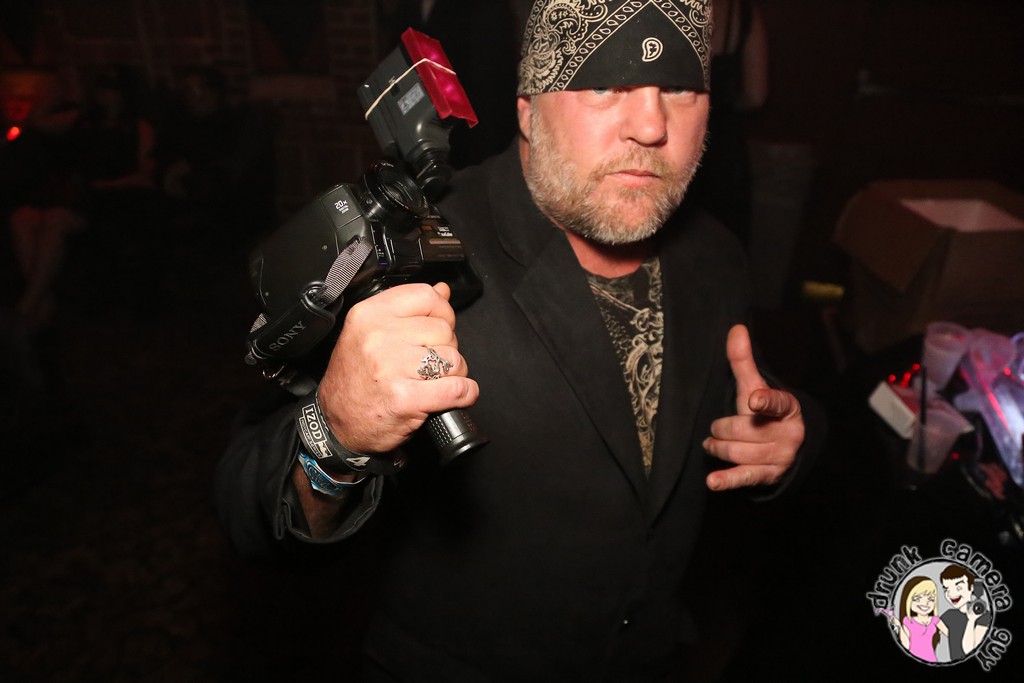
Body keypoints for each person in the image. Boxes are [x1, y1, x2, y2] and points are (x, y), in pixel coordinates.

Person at [216, 1, 816, 679]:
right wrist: (335, 434)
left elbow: (745, 399)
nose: (652, 125)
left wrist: (782, 441)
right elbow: (249, 508)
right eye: (604, 84)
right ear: (528, 109)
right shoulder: (415, 248)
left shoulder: (718, 256)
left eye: (679, 88)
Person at [686, 0, 768, 246]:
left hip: (681, 142)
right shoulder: (744, 15)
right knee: (721, 245)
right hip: (726, 150)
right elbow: (756, 95)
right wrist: (725, 104)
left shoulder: (669, 8)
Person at [939, 564, 992, 660]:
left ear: (971, 587)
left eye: (958, 588)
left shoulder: (984, 616)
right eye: (946, 589)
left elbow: (969, 650)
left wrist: (971, 620)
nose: (951, 594)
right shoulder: (949, 615)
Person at [892, 576, 948, 663]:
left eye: (931, 599)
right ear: (908, 600)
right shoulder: (908, 621)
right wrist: (898, 626)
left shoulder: (935, 620)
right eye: (917, 599)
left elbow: (951, 635)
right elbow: (906, 645)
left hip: (932, 660)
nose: (925, 603)